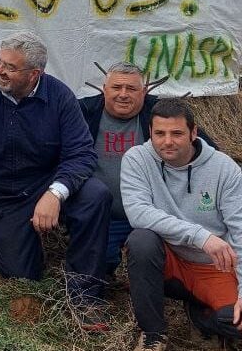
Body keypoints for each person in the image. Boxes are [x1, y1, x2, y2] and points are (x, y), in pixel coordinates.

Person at [0, 31, 111, 323]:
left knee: (96, 195)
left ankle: (84, 294)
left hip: (47, 181)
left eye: (10, 67)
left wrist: (55, 193)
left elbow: (82, 154)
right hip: (5, 193)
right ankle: (21, 241)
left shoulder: (61, 97)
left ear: (34, 74)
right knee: (21, 274)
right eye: (0, 61)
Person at [122, 98, 242, 351]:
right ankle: (153, 334)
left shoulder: (225, 169)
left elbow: (240, 230)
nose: (167, 141)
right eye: (160, 133)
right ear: (150, 132)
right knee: (141, 240)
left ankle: (202, 316)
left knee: (237, 321)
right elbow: (138, 212)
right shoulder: (137, 159)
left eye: (177, 133)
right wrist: (200, 236)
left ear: (194, 132)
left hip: (214, 267)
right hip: (169, 261)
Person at [79, 62, 217, 274]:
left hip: (154, 215)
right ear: (104, 89)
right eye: (116, 87)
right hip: (105, 217)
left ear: (144, 92)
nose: (123, 94)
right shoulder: (83, 113)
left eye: (132, 89)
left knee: (155, 261)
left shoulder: (162, 114)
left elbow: (208, 154)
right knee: (98, 269)